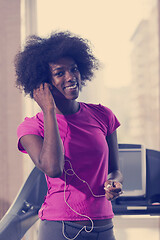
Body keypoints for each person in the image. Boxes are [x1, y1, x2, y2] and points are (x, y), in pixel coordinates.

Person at [15, 31, 123, 240]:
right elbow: (54, 168)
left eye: (74, 69)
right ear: (42, 83)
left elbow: (115, 170)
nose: (71, 77)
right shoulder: (31, 128)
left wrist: (114, 183)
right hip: (60, 227)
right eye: (59, 73)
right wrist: (49, 110)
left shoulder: (103, 115)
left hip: (104, 224)